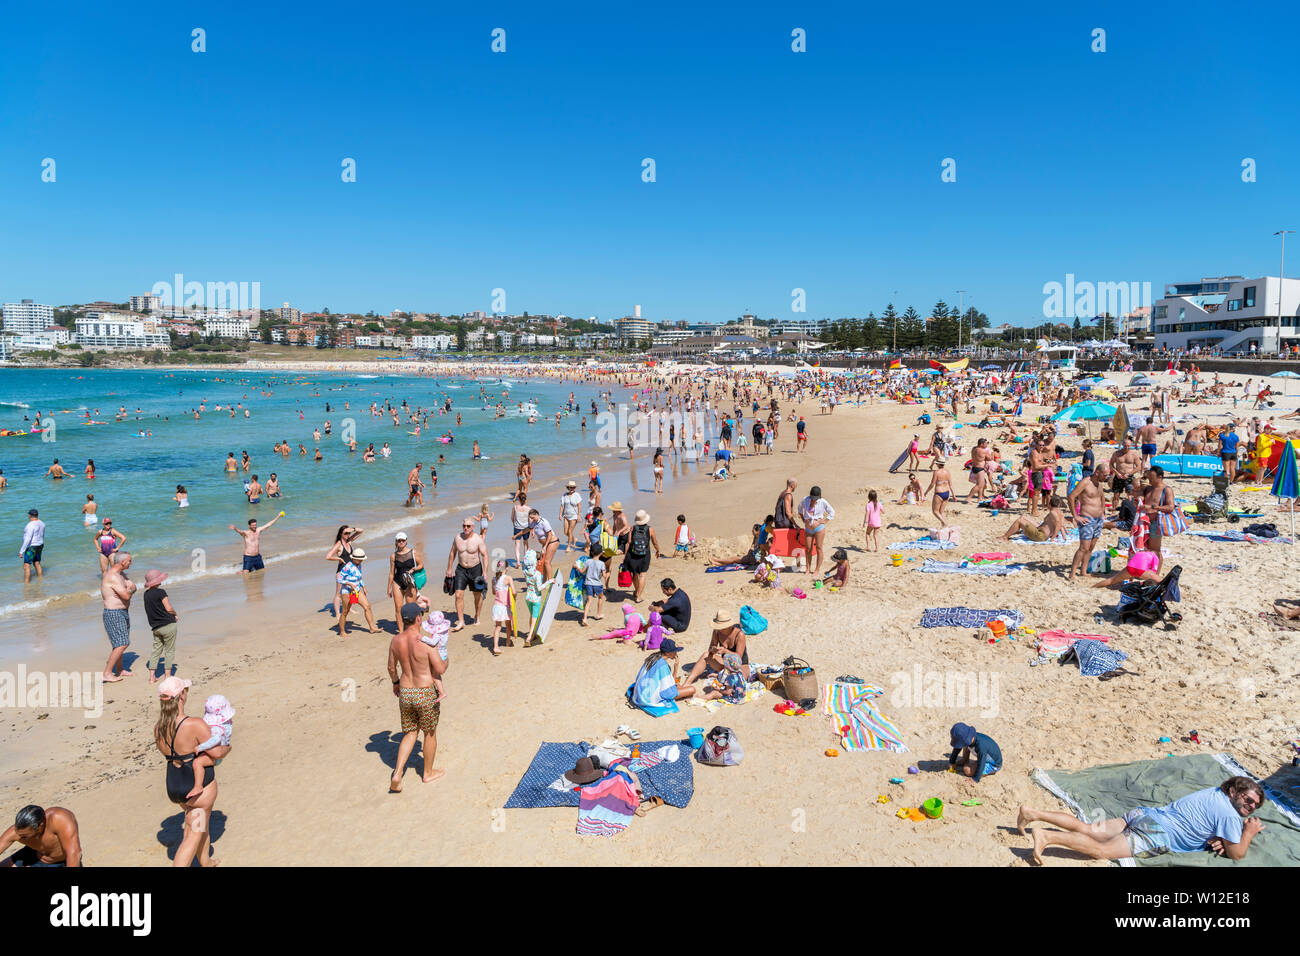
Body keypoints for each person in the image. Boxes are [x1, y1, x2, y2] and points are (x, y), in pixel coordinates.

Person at [1017, 776, 1265, 865]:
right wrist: (1249, 832)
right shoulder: (1231, 816)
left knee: (1088, 828)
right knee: (1101, 851)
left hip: (1145, 815)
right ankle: (1047, 836)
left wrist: (1223, 836)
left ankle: (1033, 813)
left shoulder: (1214, 793)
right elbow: (1237, 854)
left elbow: (1209, 826)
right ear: (1233, 792)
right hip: (1156, 833)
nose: (1250, 807)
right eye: (1248, 799)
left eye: (1255, 805)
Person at [153, 676, 227, 866]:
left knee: (198, 825)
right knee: (192, 835)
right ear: (182, 696)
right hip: (198, 787)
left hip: (175, 784)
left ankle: (206, 861)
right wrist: (229, 747)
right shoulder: (194, 724)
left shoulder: (158, 728)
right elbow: (217, 753)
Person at [387, 602, 448, 791]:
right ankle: (427, 773)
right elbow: (439, 669)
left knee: (410, 732)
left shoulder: (396, 640)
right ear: (419, 619)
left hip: (406, 691)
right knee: (429, 733)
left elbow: (391, 667)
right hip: (425, 692)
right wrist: (446, 658)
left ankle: (397, 773)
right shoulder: (425, 642)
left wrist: (396, 683)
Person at [682, 609, 751, 684]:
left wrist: (725, 651)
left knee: (735, 680)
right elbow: (710, 649)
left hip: (739, 666)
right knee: (706, 655)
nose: (719, 628)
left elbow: (738, 658)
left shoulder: (739, 635)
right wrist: (713, 650)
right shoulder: (717, 632)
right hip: (725, 664)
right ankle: (687, 682)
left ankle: (721, 675)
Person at [1067, 463, 1110, 582]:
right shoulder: (1085, 482)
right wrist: (1075, 516)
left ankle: (1083, 571)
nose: (1106, 477)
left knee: (1091, 547)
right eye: (1105, 475)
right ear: (1097, 473)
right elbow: (1071, 497)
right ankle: (1072, 573)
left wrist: (1103, 512)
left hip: (1098, 520)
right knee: (1083, 547)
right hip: (1087, 518)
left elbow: (1101, 496)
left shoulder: (1099, 483)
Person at [0, 805, 82, 867]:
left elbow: (74, 853)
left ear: (40, 826)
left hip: (61, 862)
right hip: (34, 855)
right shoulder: (16, 831)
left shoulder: (59, 819)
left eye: (24, 836)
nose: (20, 837)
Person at [446, 517, 489, 631]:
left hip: (475, 569)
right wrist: (449, 569)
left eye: (468, 526)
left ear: (473, 527)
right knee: (458, 595)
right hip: (461, 569)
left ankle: (477, 616)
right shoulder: (457, 538)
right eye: (464, 526)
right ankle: (461, 621)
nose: (466, 528)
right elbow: (452, 553)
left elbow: (485, 555)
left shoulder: (478, 539)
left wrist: (485, 572)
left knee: (477, 595)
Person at [101, 552, 135, 682]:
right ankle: (107, 673)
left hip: (122, 612)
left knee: (118, 643)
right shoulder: (113, 577)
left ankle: (119, 670)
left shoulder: (121, 575)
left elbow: (132, 586)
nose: (130, 563)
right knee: (123, 643)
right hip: (113, 613)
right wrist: (130, 589)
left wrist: (130, 588)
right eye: (129, 561)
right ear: (123, 562)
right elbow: (127, 594)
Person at [143, 569, 180, 683]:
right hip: (168, 624)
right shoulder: (161, 592)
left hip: (156, 627)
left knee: (156, 650)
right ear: (158, 580)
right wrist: (175, 614)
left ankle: (152, 677)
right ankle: (167, 677)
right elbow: (168, 608)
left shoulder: (146, 594)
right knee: (169, 650)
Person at [336, 548, 378, 635]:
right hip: (347, 592)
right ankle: (342, 632)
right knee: (345, 612)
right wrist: (349, 584)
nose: (362, 561)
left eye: (362, 559)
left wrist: (364, 587)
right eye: (360, 559)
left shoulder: (359, 565)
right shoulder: (347, 567)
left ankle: (372, 628)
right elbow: (339, 579)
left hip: (357, 590)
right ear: (354, 558)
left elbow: (359, 578)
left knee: (367, 607)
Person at [386, 531, 424, 628]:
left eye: (403, 540)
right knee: (398, 608)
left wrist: (414, 569)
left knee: (410, 608)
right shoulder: (393, 556)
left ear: (406, 541)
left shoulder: (413, 552)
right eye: (399, 540)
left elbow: (421, 565)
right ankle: (401, 632)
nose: (401, 542)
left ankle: (412, 629)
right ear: (396, 542)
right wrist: (388, 588)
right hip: (397, 582)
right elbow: (391, 573)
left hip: (410, 583)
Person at [623, 510, 662, 602]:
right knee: (642, 575)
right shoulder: (650, 529)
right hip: (645, 555)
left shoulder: (632, 528)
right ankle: (638, 596)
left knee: (634, 574)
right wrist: (658, 550)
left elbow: (628, 542)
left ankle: (637, 591)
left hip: (633, 554)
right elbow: (654, 542)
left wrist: (625, 556)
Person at [1000, 495, 1068, 542]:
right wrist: (1065, 536)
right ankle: (1015, 531)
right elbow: (1061, 525)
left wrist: (1052, 538)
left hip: (1040, 536)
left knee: (1019, 521)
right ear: (1059, 505)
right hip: (1041, 531)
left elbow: (1059, 525)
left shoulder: (1053, 513)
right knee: (1023, 517)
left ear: (1049, 504)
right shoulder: (1060, 513)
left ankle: (1005, 537)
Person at [489, 560, 516, 655]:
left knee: (498, 626)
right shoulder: (508, 578)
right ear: (507, 568)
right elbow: (514, 592)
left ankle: (495, 647)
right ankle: (508, 642)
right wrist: (514, 599)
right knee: (508, 625)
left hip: (496, 606)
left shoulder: (494, 579)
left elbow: (493, 592)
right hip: (505, 606)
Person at [528, 508, 560, 580]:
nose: (532, 519)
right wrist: (518, 535)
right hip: (546, 544)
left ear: (537, 514)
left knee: (547, 562)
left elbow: (550, 534)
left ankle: (551, 581)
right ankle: (545, 581)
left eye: (533, 517)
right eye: (530, 518)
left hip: (552, 542)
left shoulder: (543, 522)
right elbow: (529, 528)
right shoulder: (534, 522)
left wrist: (545, 546)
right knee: (543, 563)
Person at [580, 550, 606, 626]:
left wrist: (576, 567)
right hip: (597, 584)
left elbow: (582, 571)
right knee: (601, 597)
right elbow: (604, 575)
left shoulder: (588, 561)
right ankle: (598, 614)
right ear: (601, 553)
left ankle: (585, 618)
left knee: (589, 601)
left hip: (588, 583)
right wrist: (606, 578)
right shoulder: (601, 563)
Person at [20, 508, 44, 583]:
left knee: (26, 566)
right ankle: (40, 579)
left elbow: (28, 539)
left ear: (29, 515)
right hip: (40, 545)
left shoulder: (30, 525)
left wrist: (21, 551)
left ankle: (26, 584)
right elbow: (42, 535)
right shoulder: (42, 523)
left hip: (32, 547)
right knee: (37, 563)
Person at [559, 480, 583, 550]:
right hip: (566, 515)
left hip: (574, 515)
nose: (572, 489)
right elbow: (562, 506)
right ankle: (573, 539)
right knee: (565, 532)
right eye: (570, 487)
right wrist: (560, 514)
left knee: (570, 531)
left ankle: (569, 546)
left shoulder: (577, 495)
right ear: (568, 488)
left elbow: (579, 505)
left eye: (573, 487)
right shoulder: (564, 495)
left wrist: (578, 515)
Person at [511, 492, 532, 567]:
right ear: (525, 499)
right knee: (525, 544)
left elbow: (512, 518)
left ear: (518, 499)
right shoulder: (529, 509)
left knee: (517, 545)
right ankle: (525, 561)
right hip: (526, 528)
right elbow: (531, 521)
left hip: (517, 528)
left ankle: (518, 562)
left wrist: (515, 524)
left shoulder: (515, 507)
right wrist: (532, 531)